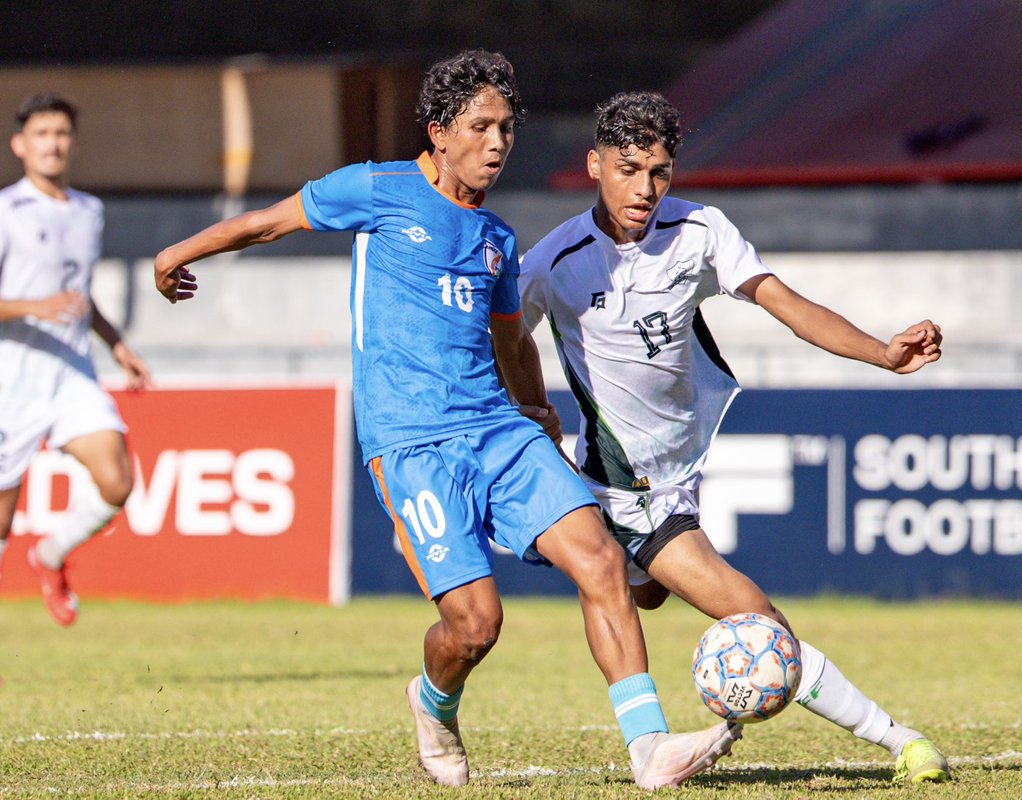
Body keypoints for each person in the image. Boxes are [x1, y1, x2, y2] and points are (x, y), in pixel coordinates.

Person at [152, 52, 740, 790]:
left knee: (597, 560)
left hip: (499, 430)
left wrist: (537, 408)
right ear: (438, 131)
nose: (497, 143)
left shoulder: (495, 238)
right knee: (475, 626)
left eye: (506, 129)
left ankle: (648, 746)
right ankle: (433, 702)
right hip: (410, 443)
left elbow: (508, 337)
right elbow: (268, 223)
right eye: (480, 127)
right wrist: (174, 254)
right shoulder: (378, 189)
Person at [518, 91, 951, 784]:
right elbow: (502, 336)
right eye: (627, 169)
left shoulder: (700, 231)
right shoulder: (554, 260)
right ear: (595, 164)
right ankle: (901, 741)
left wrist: (881, 353)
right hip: (612, 486)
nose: (644, 188)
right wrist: (528, 409)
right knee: (758, 621)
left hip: (676, 476)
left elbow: (785, 304)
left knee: (644, 595)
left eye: (658, 171)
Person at [0, 92, 152, 627]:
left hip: (70, 373)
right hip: (11, 379)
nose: (52, 143)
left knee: (116, 481)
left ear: (74, 143)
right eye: (42, 134)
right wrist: (32, 306)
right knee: (1, 517)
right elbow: (46, 299)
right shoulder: (5, 211)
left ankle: (50, 554)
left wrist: (116, 344)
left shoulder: (89, 211)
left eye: (61, 134)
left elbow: (78, 296)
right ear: (20, 145)